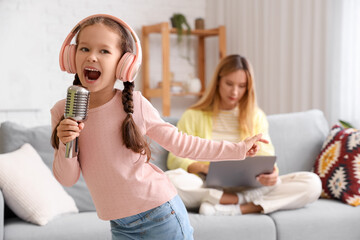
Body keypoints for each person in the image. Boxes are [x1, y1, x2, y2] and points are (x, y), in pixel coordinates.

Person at [50, 15, 264, 240]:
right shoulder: (62, 111)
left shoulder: (136, 105)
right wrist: (67, 140)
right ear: (71, 56)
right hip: (120, 225)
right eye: (84, 48)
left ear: (124, 64)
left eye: (104, 51)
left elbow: (182, 145)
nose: (92, 57)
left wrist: (237, 149)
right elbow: (67, 179)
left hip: (160, 216)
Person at [166, 54, 322, 216]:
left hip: (250, 185)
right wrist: (204, 167)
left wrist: (272, 174)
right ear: (218, 81)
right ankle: (236, 199)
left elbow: (266, 155)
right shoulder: (193, 115)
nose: (235, 91)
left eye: (242, 86)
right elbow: (175, 157)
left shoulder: (256, 116)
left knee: (312, 183)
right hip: (206, 184)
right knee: (169, 181)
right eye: (229, 84)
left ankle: (237, 207)